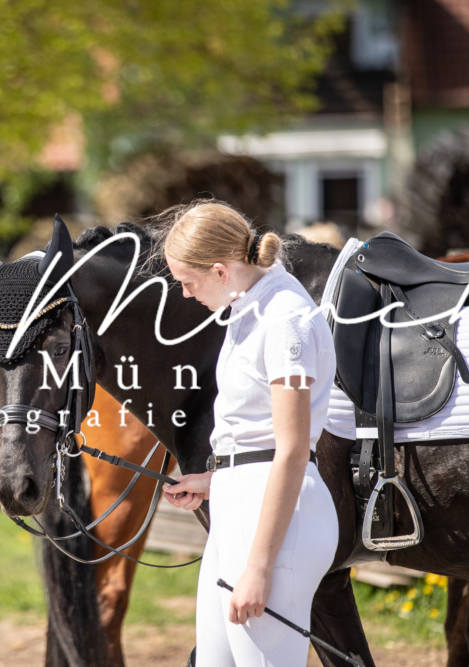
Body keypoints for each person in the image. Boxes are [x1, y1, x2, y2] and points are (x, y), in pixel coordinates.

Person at [160, 200, 339, 667]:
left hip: (276, 524)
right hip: (237, 507)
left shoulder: (284, 320)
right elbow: (256, 431)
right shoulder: (250, 307)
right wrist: (216, 479)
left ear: (220, 271)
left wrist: (259, 566)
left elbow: (292, 449)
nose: (185, 294)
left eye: (187, 282)